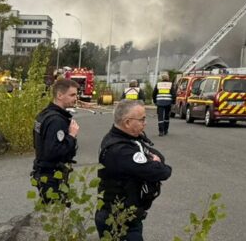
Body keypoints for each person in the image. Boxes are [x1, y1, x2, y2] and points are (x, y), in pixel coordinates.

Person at [96, 100, 172, 241]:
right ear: (127, 122)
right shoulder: (121, 150)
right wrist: (157, 163)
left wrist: (155, 160)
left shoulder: (128, 139)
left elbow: (157, 155)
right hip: (118, 220)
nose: (145, 123)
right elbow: (162, 172)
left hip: (128, 215)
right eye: (142, 119)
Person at [32, 78, 80, 204]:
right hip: (52, 175)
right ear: (59, 95)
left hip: (42, 170)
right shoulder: (56, 120)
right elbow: (54, 151)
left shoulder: (44, 114)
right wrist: (72, 136)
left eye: (76, 94)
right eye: (72, 95)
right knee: (56, 212)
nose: (76, 98)